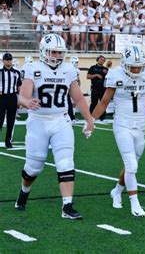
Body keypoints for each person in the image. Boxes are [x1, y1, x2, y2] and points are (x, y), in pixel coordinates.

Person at [14, 33, 95, 219]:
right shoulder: (32, 68)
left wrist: (89, 119)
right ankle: (24, 192)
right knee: (34, 166)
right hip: (38, 121)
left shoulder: (68, 69)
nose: (57, 56)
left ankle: (67, 206)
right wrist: (27, 102)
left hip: (61, 120)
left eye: (60, 52)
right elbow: (23, 94)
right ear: (43, 51)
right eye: (53, 52)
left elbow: (78, 97)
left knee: (66, 161)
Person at [91, 46, 145, 217]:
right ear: (124, 64)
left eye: (139, 66)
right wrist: (91, 120)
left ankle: (117, 191)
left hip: (140, 126)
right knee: (131, 165)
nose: (136, 70)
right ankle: (135, 204)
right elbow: (104, 102)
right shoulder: (116, 75)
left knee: (132, 166)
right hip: (122, 125)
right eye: (133, 66)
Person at [0, 52, 22, 148]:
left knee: (11, 120)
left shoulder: (16, 73)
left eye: (9, 60)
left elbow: (19, 86)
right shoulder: (0, 72)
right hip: (1, 97)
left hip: (12, 98)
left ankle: (8, 142)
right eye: (6, 60)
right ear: (3, 61)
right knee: (0, 120)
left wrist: (20, 100)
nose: (8, 61)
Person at [87, 55, 108, 121]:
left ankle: (102, 118)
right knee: (94, 102)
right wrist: (96, 75)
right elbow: (88, 76)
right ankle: (91, 117)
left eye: (104, 60)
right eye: (101, 59)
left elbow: (109, 78)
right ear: (98, 59)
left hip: (103, 88)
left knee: (103, 103)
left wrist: (108, 71)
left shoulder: (105, 69)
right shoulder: (93, 67)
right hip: (95, 88)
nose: (102, 61)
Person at [67, 56, 80, 123]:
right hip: (69, 88)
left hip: (75, 87)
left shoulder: (77, 70)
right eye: (76, 62)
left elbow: (78, 79)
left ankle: (73, 116)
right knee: (68, 103)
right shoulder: (68, 69)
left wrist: (79, 86)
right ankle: (70, 116)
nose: (77, 63)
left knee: (74, 103)